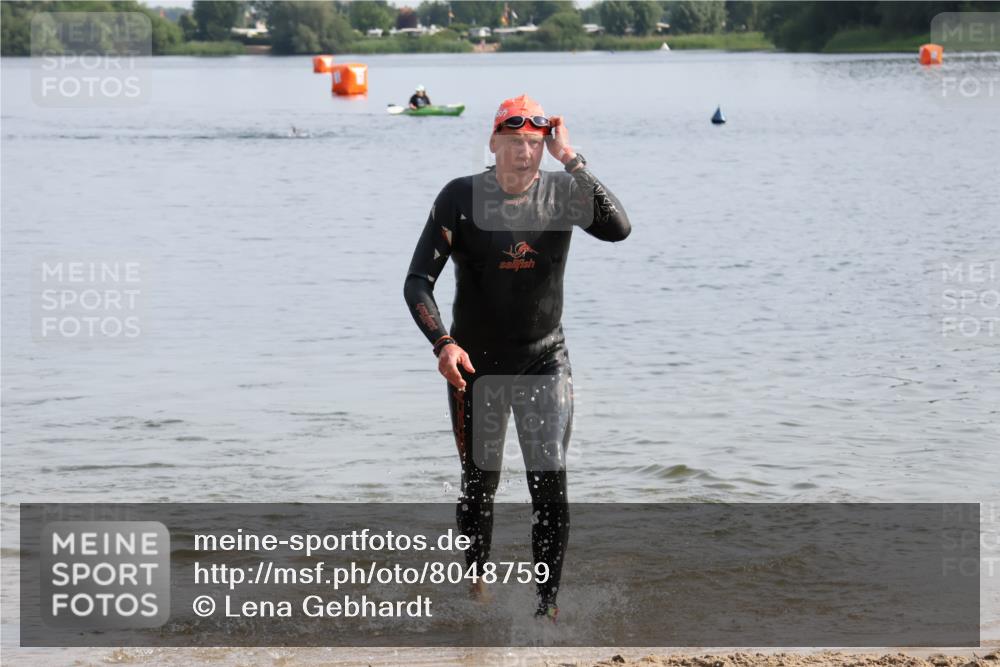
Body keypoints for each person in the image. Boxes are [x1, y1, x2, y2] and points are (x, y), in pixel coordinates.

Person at [403, 94, 630, 621]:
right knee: (479, 481)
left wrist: (571, 158)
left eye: (533, 144)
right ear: (493, 143)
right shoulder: (460, 197)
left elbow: (619, 228)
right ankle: (477, 583)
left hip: (544, 359)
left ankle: (545, 605)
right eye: (513, 143)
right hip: (474, 366)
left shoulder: (564, 193)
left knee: (548, 480)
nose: (524, 154)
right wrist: (444, 343)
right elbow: (417, 281)